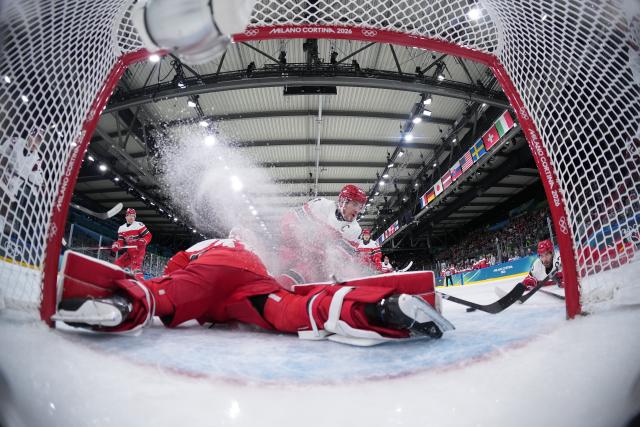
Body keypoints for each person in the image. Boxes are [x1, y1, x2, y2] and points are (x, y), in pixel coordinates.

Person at [52, 238, 454, 347]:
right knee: (293, 312)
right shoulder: (252, 253)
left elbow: (174, 273)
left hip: (209, 280)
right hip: (249, 287)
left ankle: (119, 306)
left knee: (161, 294)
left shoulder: (205, 246)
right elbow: (280, 283)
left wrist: (175, 289)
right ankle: (382, 309)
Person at [278, 184, 368, 289]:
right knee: (284, 278)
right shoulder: (321, 205)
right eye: (355, 204)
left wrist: (329, 244)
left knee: (297, 278)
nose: (357, 210)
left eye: (360, 207)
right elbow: (290, 220)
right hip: (297, 253)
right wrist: (318, 232)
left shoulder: (355, 230)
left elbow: (344, 259)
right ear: (344, 201)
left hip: (318, 267)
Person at [0, 127, 44, 240]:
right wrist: (3, 170)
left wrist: (40, 183)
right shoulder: (15, 141)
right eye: (36, 138)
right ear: (30, 135)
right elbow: (2, 154)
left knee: (4, 209)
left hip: (13, 187)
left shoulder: (37, 159)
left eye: (39, 140)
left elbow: (35, 178)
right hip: (2, 177)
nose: (37, 142)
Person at [111, 208, 152, 280]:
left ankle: (140, 283)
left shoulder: (139, 225)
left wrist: (143, 240)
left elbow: (148, 236)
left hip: (139, 250)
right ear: (126, 216)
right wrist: (116, 245)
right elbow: (120, 241)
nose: (131, 217)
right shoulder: (121, 228)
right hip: (129, 251)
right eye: (129, 215)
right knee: (118, 264)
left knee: (135, 268)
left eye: (133, 216)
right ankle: (113, 278)